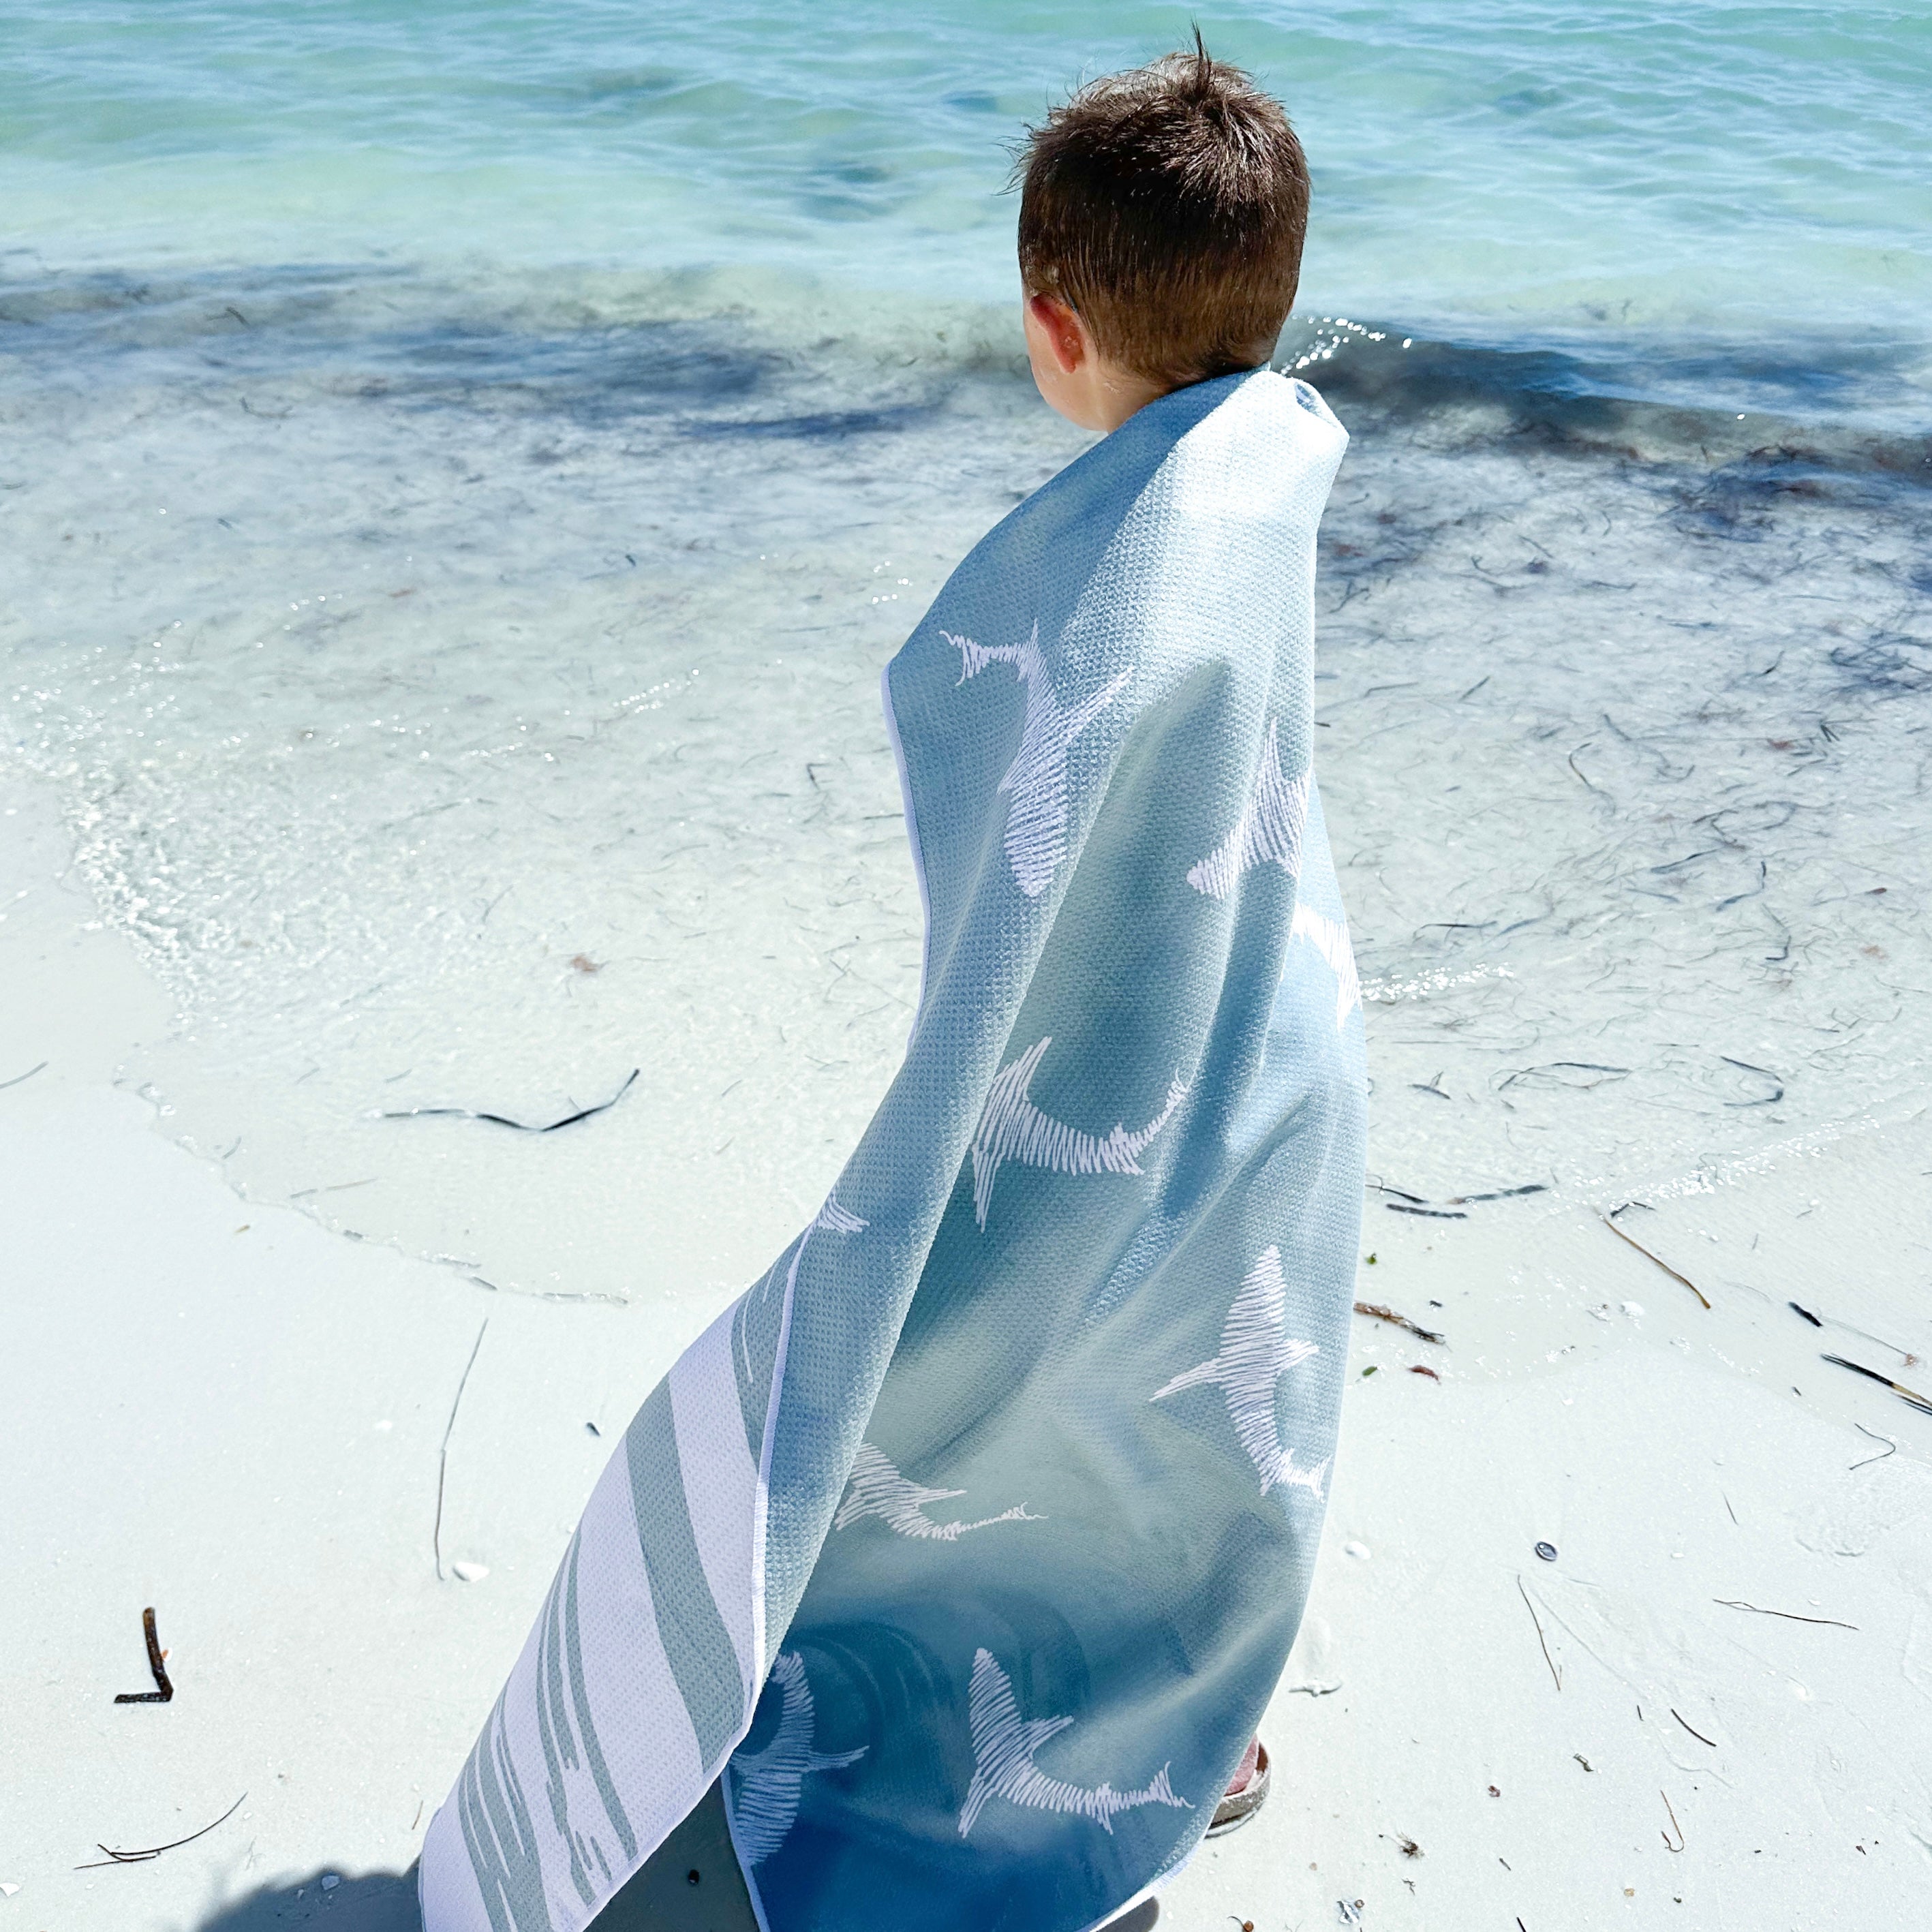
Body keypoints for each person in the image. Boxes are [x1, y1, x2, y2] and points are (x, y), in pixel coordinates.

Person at [420, 40, 1362, 1932]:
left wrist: (929, 1131)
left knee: (977, 1376)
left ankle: (1030, 1745)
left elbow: (1044, 857)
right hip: (1283, 1043)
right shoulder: (1269, 452)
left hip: (1146, 1051)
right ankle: (1204, 1717)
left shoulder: (1138, 553)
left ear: (1048, 319)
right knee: (1196, 1412)